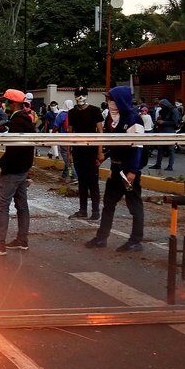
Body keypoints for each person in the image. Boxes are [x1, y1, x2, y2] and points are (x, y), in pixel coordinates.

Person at [86, 86, 145, 252]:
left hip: (128, 172)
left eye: (112, 99)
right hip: (116, 168)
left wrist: (132, 171)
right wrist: (105, 156)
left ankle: (136, 241)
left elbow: (137, 148)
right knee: (109, 203)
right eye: (108, 99)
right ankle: (101, 238)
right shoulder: (111, 119)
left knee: (134, 205)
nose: (109, 103)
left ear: (120, 100)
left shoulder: (134, 119)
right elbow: (114, 142)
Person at [0, 89, 35, 256]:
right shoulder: (26, 119)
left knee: (2, 206)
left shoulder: (17, 121)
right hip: (23, 170)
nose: (2, 105)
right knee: (22, 206)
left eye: (5, 102)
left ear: (13, 104)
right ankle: (22, 240)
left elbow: (15, 149)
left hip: (13, 171)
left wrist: (4, 164)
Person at [68, 87, 104, 221]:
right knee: (82, 182)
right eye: (78, 95)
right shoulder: (72, 112)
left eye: (83, 94)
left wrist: (100, 151)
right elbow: (70, 133)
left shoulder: (95, 110)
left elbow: (100, 132)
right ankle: (82, 210)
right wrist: (69, 152)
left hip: (92, 151)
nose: (80, 97)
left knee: (93, 182)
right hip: (78, 151)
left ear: (87, 96)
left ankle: (95, 212)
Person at [149, 98, 179, 171]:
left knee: (171, 149)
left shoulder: (174, 111)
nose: (161, 106)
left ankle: (170, 166)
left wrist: (164, 122)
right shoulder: (162, 111)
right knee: (160, 148)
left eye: (162, 105)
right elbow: (160, 119)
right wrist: (158, 121)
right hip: (162, 130)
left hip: (170, 131)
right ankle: (158, 164)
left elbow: (175, 122)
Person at [54, 99, 74, 182]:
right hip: (74, 139)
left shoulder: (62, 114)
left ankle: (73, 176)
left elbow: (56, 126)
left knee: (66, 157)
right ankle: (64, 176)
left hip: (64, 139)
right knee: (69, 157)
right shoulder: (75, 113)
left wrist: (53, 134)